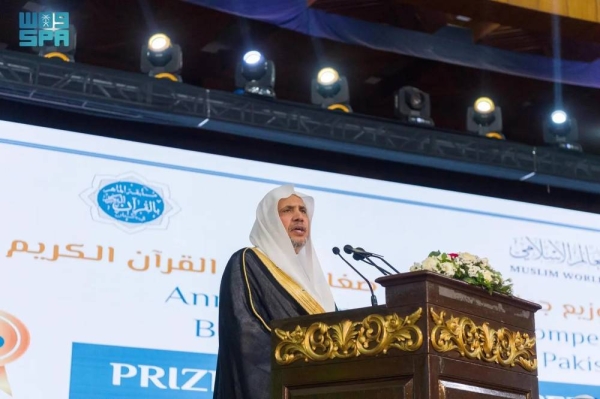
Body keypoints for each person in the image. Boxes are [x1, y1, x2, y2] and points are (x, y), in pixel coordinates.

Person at [213, 184, 336, 399]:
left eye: (303, 210)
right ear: (269, 221)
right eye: (287, 210)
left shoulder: (314, 282)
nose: (299, 217)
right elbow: (247, 335)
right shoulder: (247, 261)